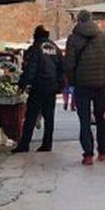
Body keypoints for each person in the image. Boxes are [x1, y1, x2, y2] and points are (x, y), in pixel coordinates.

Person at [64, 10, 105, 165]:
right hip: (103, 84)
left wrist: (73, 82)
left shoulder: (73, 39)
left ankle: (88, 155)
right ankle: (103, 151)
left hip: (82, 85)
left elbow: (69, 64)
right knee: (102, 118)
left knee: (84, 120)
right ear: (91, 19)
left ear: (78, 21)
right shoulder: (104, 37)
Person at [13, 25, 63, 153]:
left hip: (39, 86)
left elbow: (31, 69)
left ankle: (24, 144)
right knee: (49, 117)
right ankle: (47, 144)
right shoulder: (55, 48)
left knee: (31, 116)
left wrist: (22, 84)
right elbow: (61, 69)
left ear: (36, 35)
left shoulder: (35, 48)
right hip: (51, 87)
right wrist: (60, 86)